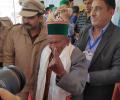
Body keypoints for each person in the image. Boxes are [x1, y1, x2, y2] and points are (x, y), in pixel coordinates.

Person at [0, 6, 89, 100]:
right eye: (50, 42)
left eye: (57, 42)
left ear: (67, 41)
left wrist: (61, 73)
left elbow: (78, 87)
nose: (53, 46)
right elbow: (37, 76)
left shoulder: (77, 55)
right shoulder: (45, 49)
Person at [75, 0, 120, 100]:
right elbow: (76, 54)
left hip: (99, 94)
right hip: (77, 92)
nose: (92, 13)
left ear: (111, 12)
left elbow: (117, 72)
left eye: (98, 9)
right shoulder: (85, 31)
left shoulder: (117, 36)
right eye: (92, 9)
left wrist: (87, 77)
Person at [3, 0, 47, 100]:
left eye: (30, 17)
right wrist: (10, 82)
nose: (26, 21)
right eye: (24, 17)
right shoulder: (14, 32)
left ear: (40, 18)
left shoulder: (48, 35)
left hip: (41, 86)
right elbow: (8, 58)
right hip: (19, 86)